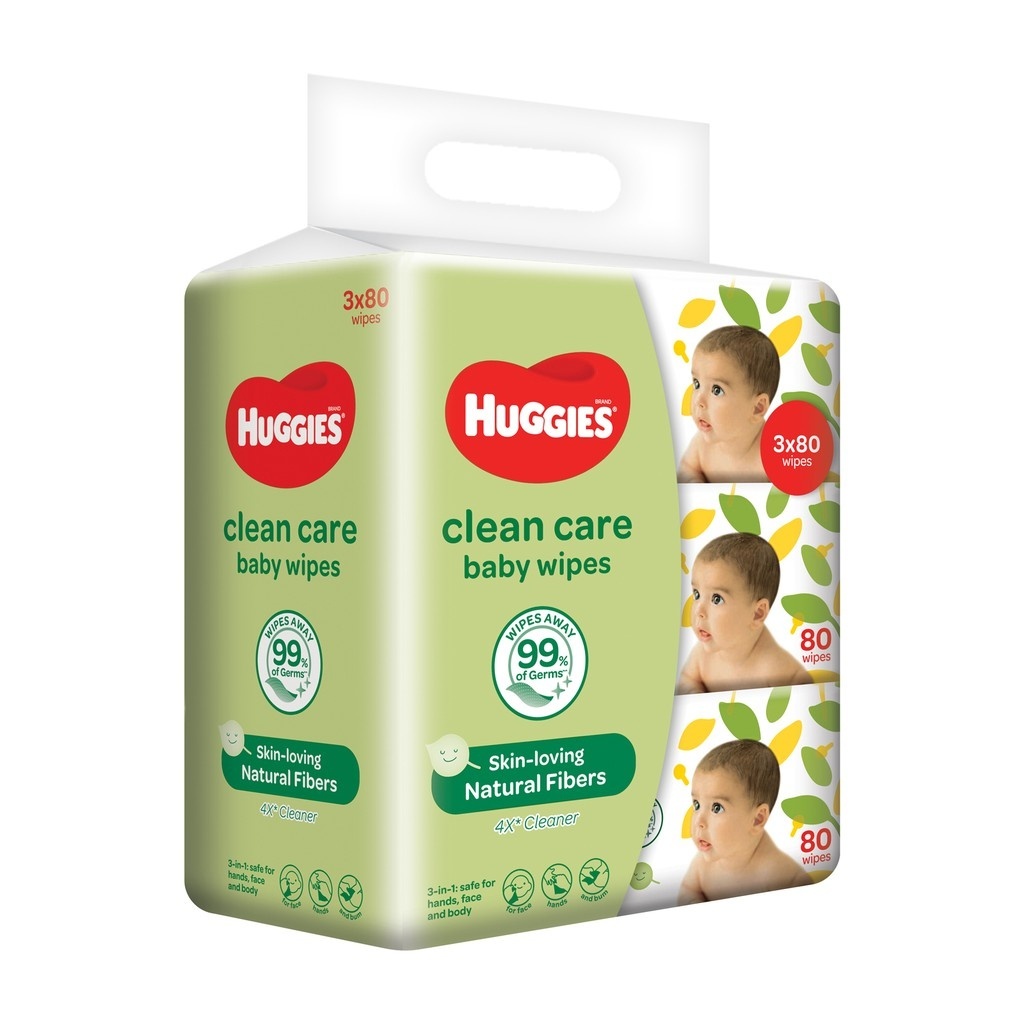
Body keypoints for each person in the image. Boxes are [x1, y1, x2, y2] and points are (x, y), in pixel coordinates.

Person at [678, 740, 811, 904]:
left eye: (717, 808)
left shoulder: (782, 876)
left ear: (757, 819)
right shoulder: (702, 865)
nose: (699, 821)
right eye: (697, 805)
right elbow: (688, 889)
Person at [677, 532, 812, 693]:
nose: (698, 610)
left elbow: (807, 698)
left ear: (757, 614)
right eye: (697, 594)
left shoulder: (780, 672)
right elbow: (688, 679)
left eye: (717, 599)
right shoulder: (702, 654)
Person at [677, 325, 780, 483]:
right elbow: (687, 468)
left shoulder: (773, 455)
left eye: (717, 390)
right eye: (697, 384)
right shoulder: (702, 444)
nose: (698, 401)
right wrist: (695, 483)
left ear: (757, 408)